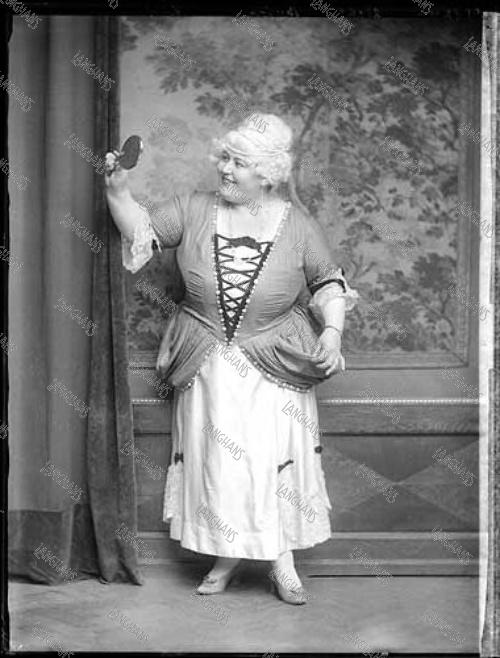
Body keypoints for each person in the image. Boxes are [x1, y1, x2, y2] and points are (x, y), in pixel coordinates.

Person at [105, 113, 358, 604]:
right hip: (208, 363)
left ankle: (281, 561)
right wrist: (118, 189)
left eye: (238, 163)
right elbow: (142, 231)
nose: (224, 168)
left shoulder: (297, 225)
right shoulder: (194, 208)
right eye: (224, 157)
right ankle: (226, 557)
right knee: (219, 464)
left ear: (267, 173)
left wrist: (332, 334)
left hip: (277, 363)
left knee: (271, 463)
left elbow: (328, 283)